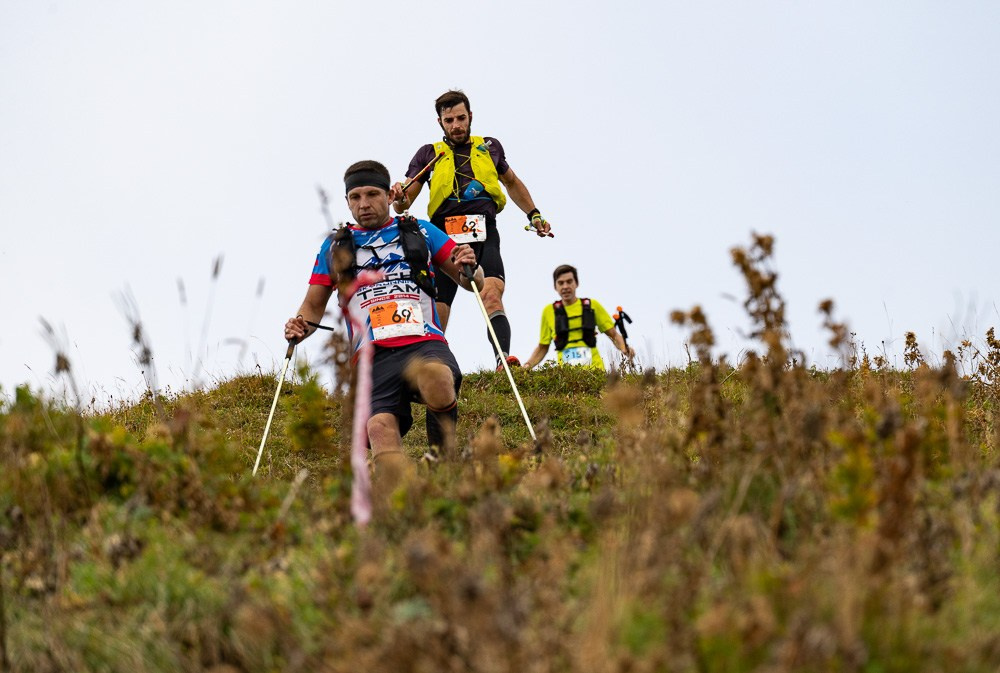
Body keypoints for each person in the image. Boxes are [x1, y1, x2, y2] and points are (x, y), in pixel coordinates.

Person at [284, 160, 483, 475]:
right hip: (371, 354)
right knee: (378, 426)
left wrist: (470, 263)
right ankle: (401, 499)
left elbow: (471, 280)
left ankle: (444, 470)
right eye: (355, 197)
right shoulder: (336, 245)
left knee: (438, 379)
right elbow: (312, 305)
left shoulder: (419, 230)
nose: (364, 204)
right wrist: (299, 326)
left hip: (422, 339)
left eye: (372, 194)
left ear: (390, 195)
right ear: (348, 201)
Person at [393, 89, 552, 371]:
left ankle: (503, 360)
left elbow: (512, 183)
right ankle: (432, 368)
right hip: (444, 236)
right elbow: (404, 201)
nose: (456, 125)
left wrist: (534, 214)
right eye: (449, 120)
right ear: (440, 123)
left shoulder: (490, 147)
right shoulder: (429, 154)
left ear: (470, 117)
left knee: (492, 293)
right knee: (438, 306)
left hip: (484, 229)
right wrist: (398, 197)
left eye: (461, 118)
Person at [523, 264, 635, 370]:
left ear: (576, 283)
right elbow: (543, 346)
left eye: (569, 282)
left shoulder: (593, 305)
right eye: (561, 283)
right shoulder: (548, 311)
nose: (565, 286)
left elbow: (613, 335)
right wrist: (527, 366)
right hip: (566, 376)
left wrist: (624, 349)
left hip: (596, 372)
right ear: (555, 287)